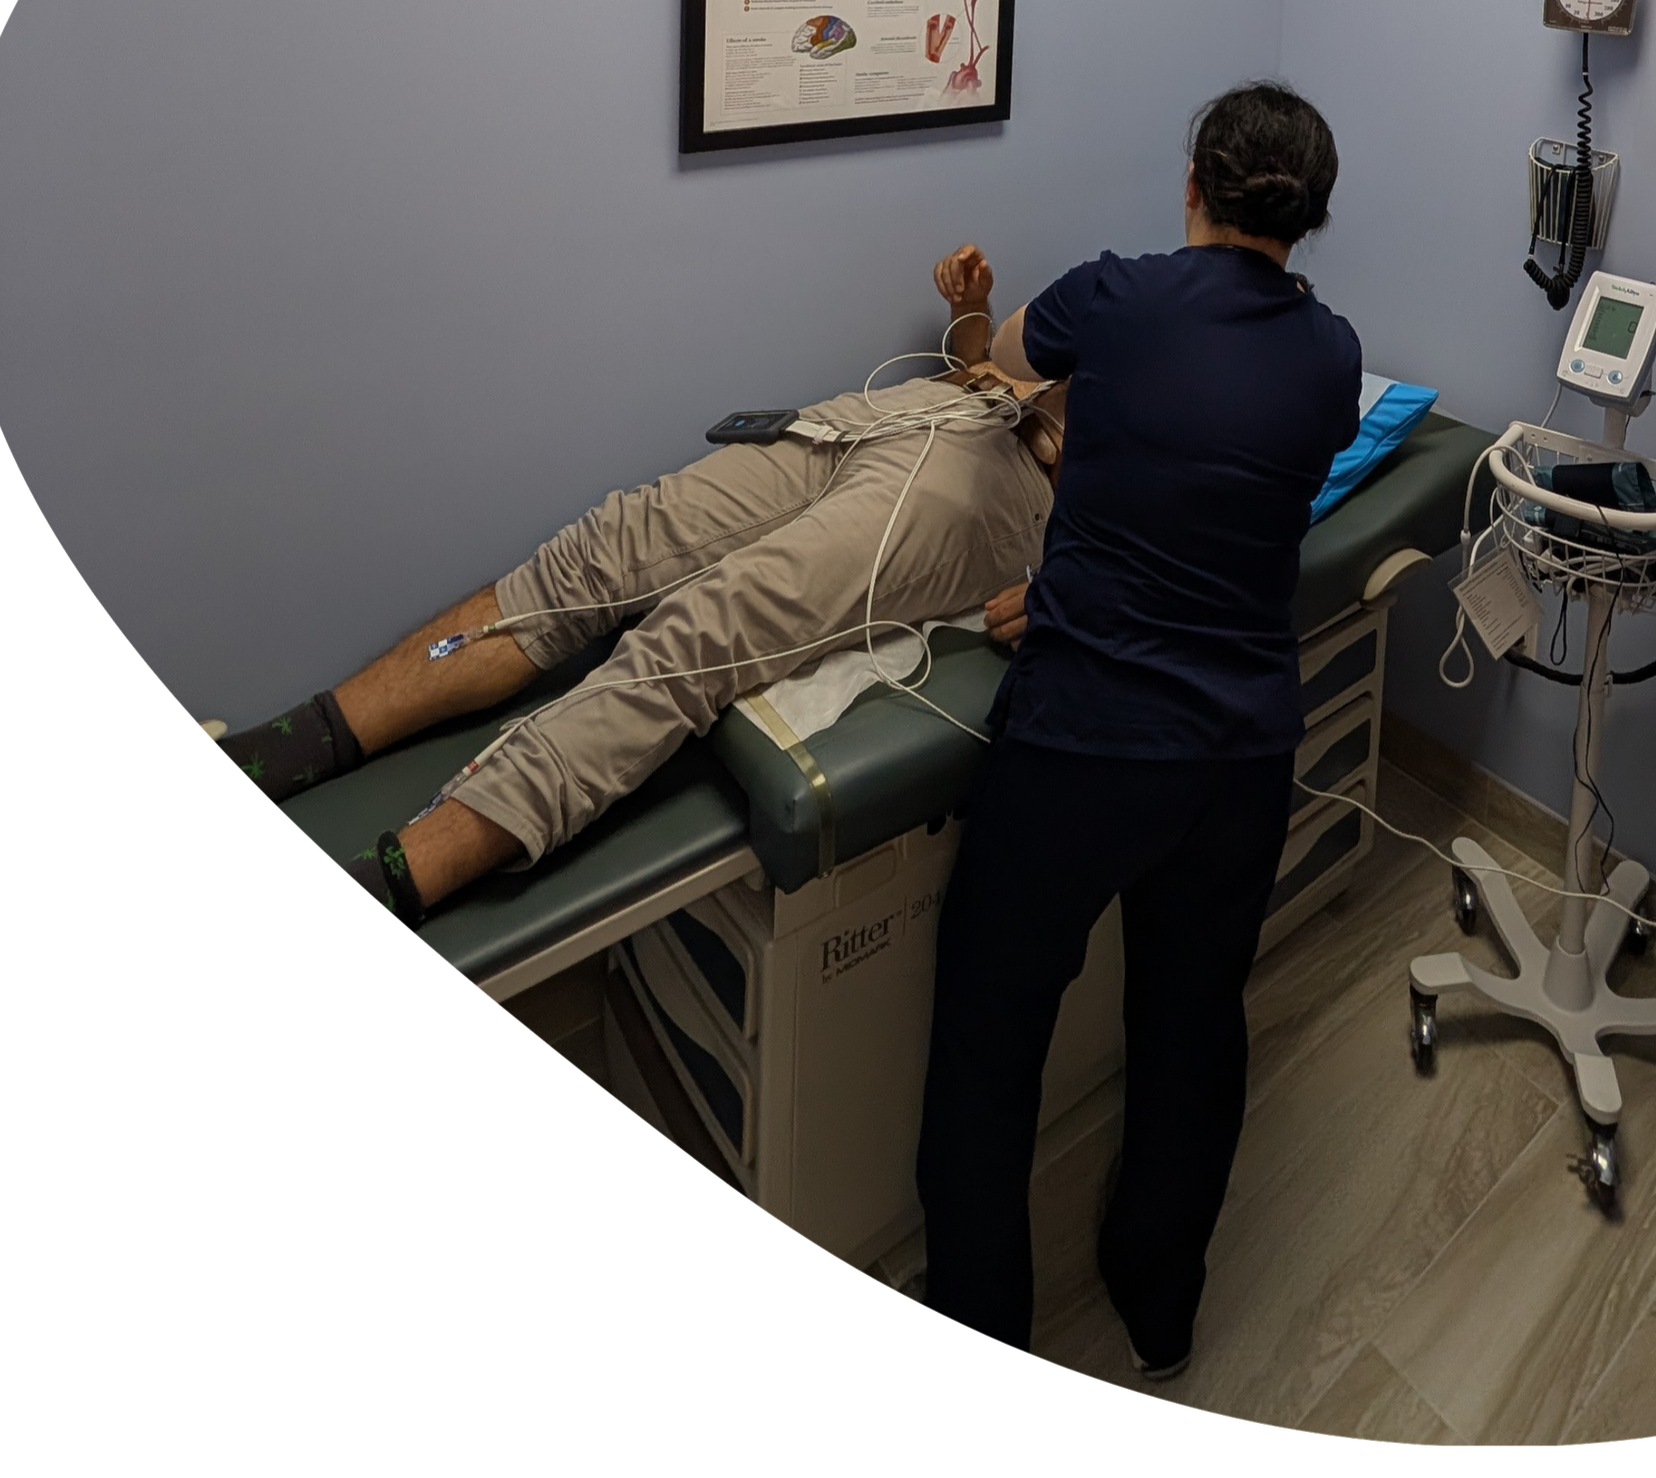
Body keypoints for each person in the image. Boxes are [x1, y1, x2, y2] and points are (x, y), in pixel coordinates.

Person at [916, 81, 1363, 1374]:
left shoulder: (1110, 299)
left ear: (1191, 189)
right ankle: (1159, 1304)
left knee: (991, 1042)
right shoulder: (1331, 357)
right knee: (1191, 1026)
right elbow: (1210, 499)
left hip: (1085, 744)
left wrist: (965, 316)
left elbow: (996, 384)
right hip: (1239, 762)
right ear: (1310, 219)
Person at [213, 248, 1065, 924]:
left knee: (702, 633)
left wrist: (1071, 595)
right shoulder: (1135, 296)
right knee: (602, 551)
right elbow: (1009, 368)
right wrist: (971, 317)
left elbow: (1179, 561)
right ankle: (272, 750)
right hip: (917, 409)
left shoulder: (1191, 392)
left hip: (996, 492)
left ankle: (395, 877)